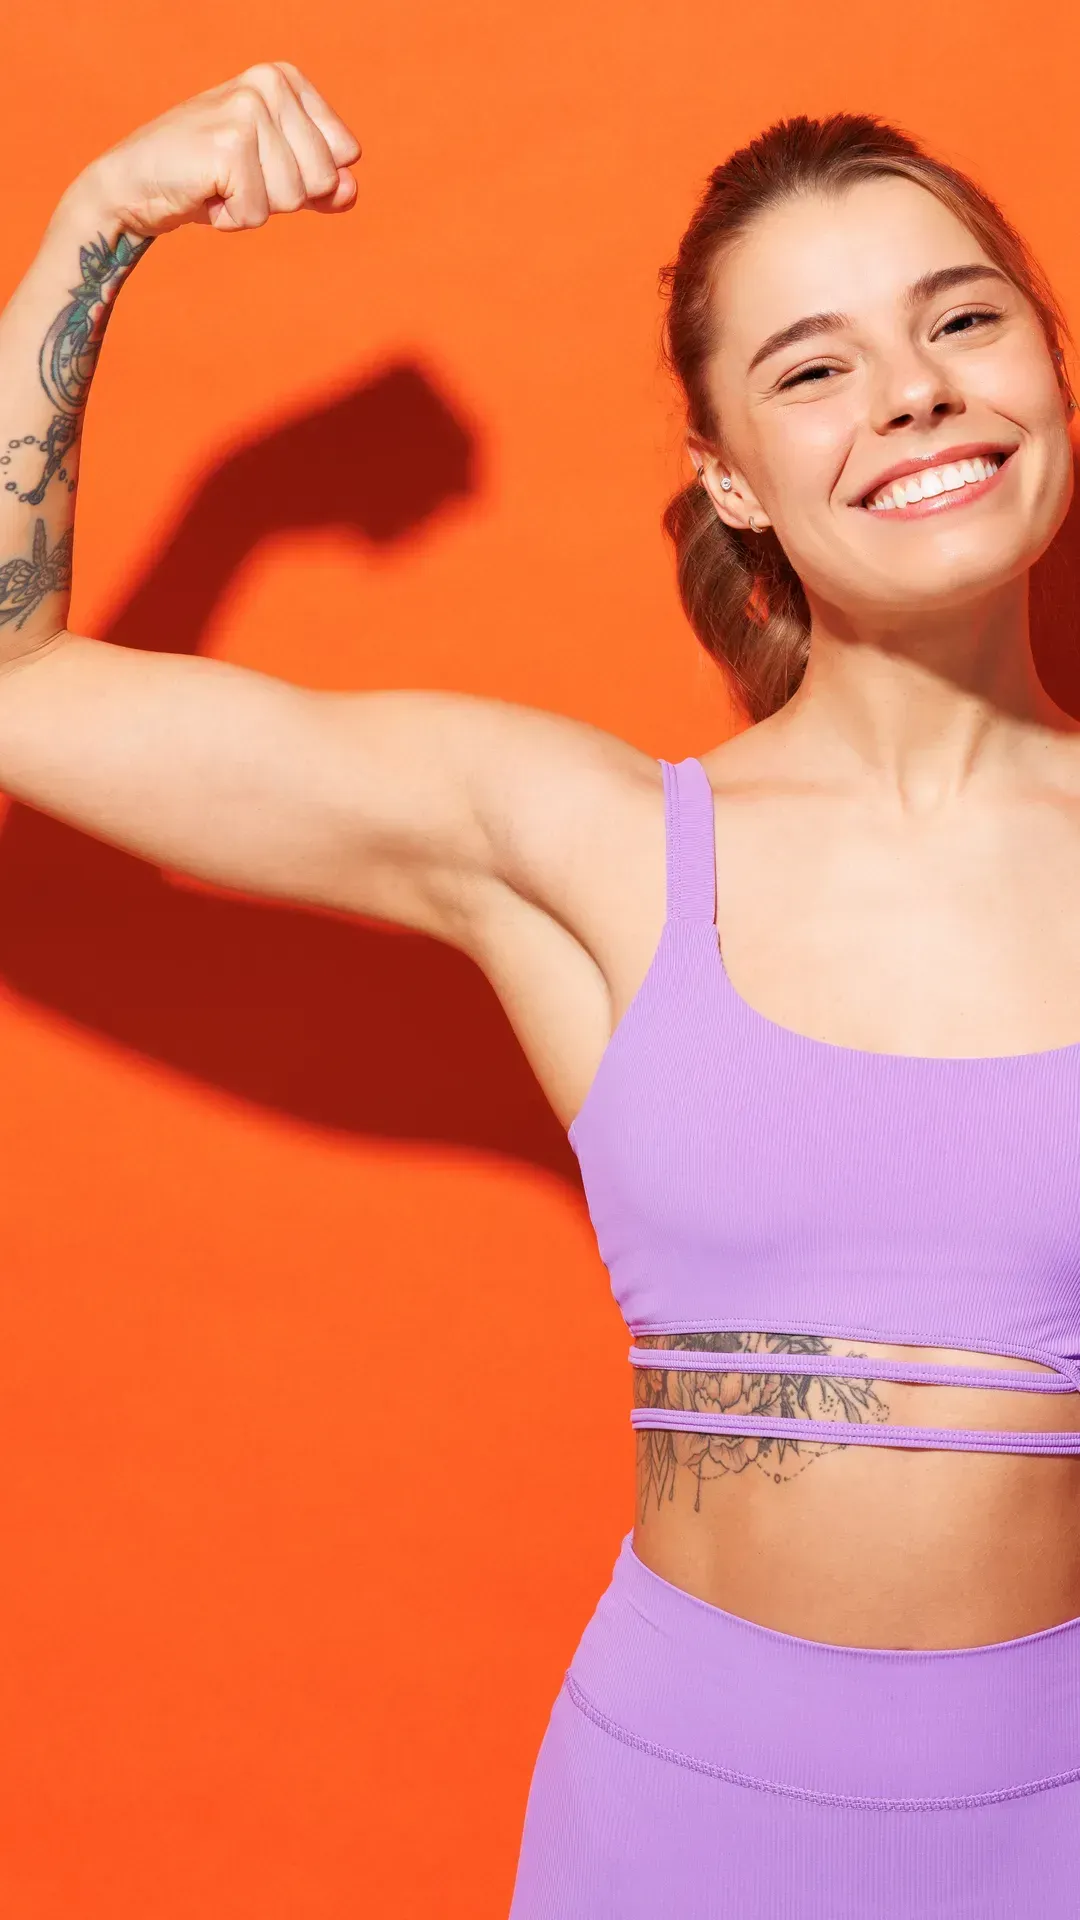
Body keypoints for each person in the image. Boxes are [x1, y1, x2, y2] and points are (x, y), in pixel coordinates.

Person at [2, 57, 1080, 1918]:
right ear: (729, 478)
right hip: (682, 1834)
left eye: (962, 321)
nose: (913, 390)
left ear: (1050, 369)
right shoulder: (595, 848)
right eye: (811, 368)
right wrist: (97, 219)